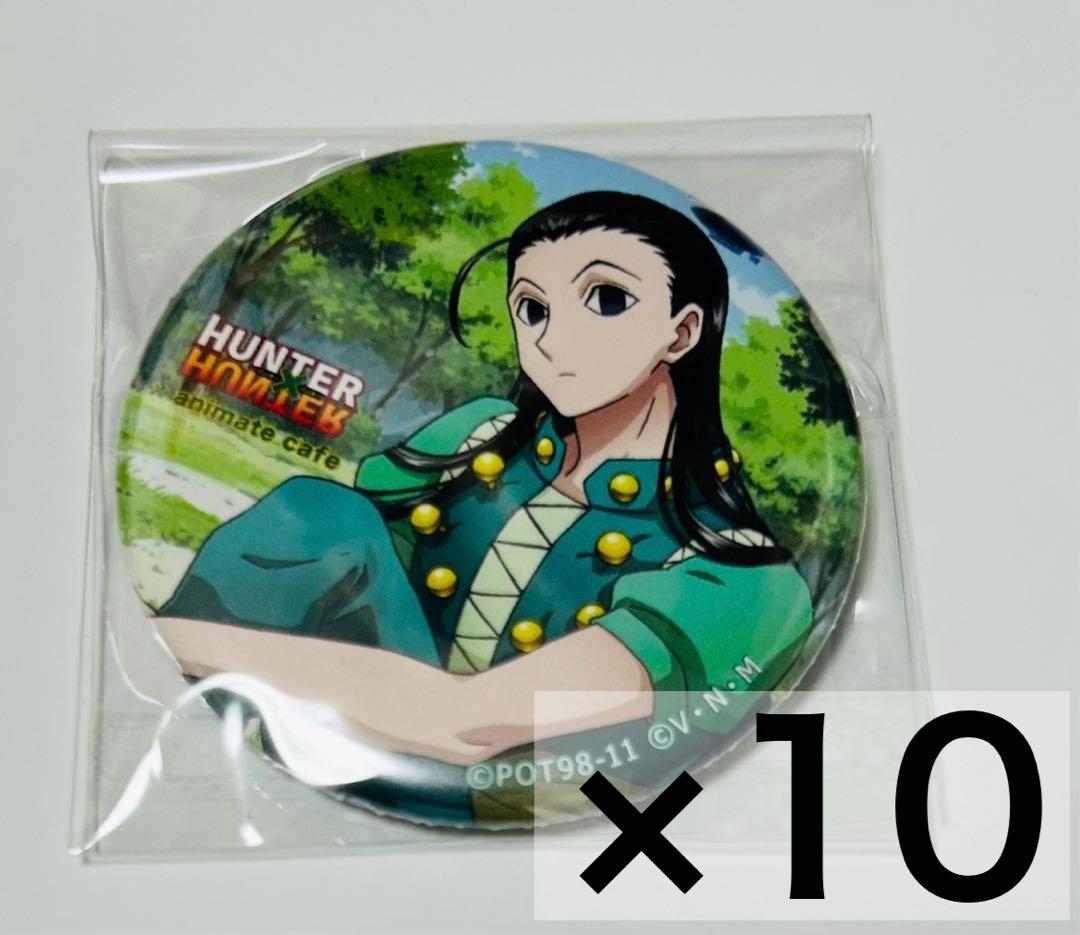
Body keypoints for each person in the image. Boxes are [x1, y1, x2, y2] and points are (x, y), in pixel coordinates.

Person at [155, 191, 813, 819]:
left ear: (683, 331)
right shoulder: (480, 435)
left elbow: (465, 724)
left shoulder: (747, 576)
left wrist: (169, 640)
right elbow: (335, 568)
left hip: (503, 812)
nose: (553, 337)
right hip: (345, 748)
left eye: (606, 299)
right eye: (532, 308)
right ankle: (188, 746)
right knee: (322, 511)